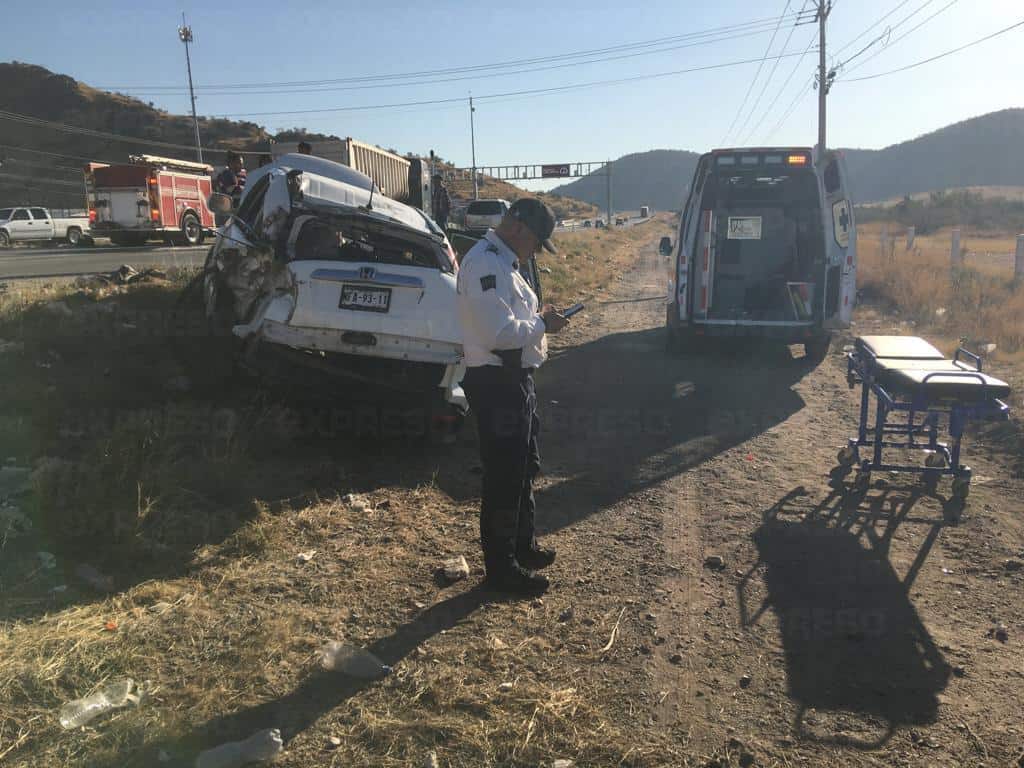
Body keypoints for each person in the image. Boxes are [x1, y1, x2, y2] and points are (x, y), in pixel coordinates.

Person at [456, 198, 569, 594]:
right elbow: (498, 334)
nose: (536, 251)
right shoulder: (486, 262)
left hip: (514, 381)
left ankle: (522, 547)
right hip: (496, 383)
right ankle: (501, 571)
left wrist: (538, 320)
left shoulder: (503, 262)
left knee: (524, 468)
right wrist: (542, 324)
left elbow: (511, 322)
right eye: (537, 242)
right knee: (504, 477)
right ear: (519, 228)